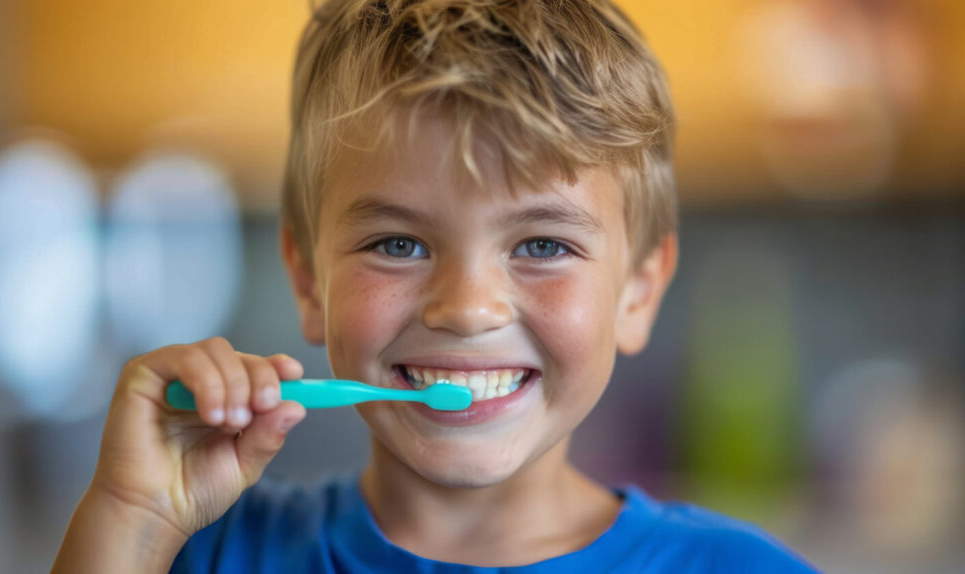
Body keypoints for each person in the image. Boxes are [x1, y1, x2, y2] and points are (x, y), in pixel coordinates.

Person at [52, 0, 819, 571]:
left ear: (638, 292)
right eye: (398, 243)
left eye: (543, 244)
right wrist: (136, 517)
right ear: (308, 280)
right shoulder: (207, 554)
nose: (467, 307)